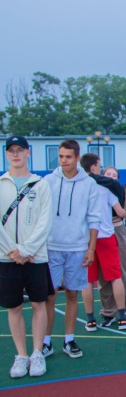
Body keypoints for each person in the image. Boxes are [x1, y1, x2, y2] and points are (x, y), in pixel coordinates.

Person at [0, 135, 53, 378]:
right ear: (6, 154)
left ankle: (37, 353)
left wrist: (27, 250)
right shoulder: (1, 183)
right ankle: (21, 355)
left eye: (20, 149)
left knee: (38, 304)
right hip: (7, 257)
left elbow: (45, 221)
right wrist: (13, 250)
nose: (16, 154)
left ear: (28, 152)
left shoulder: (41, 185)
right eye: (11, 150)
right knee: (14, 307)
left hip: (35, 257)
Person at [44, 139, 101, 359]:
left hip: (77, 248)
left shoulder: (89, 184)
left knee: (72, 294)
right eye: (61, 156)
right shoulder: (48, 181)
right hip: (51, 247)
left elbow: (94, 219)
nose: (64, 161)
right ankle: (45, 342)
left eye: (68, 157)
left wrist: (91, 249)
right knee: (49, 296)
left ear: (77, 158)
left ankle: (69, 340)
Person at [79, 153, 126, 332]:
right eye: (99, 165)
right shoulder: (104, 188)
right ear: (94, 166)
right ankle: (122, 317)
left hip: (85, 238)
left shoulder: (78, 188)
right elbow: (121, 212)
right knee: (115, 277)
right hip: (105, 236)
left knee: (88, 281)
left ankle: (90, 319)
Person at [95, 166, 126, 325]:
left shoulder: (117, 190)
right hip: (100, 232)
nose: (111, 177)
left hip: (117, 228)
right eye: (108, 174)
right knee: (103, 275)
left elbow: (123, 213)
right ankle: (108, 311)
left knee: (123, 271)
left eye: (114, 175)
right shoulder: (96, 189)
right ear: (102, 175)